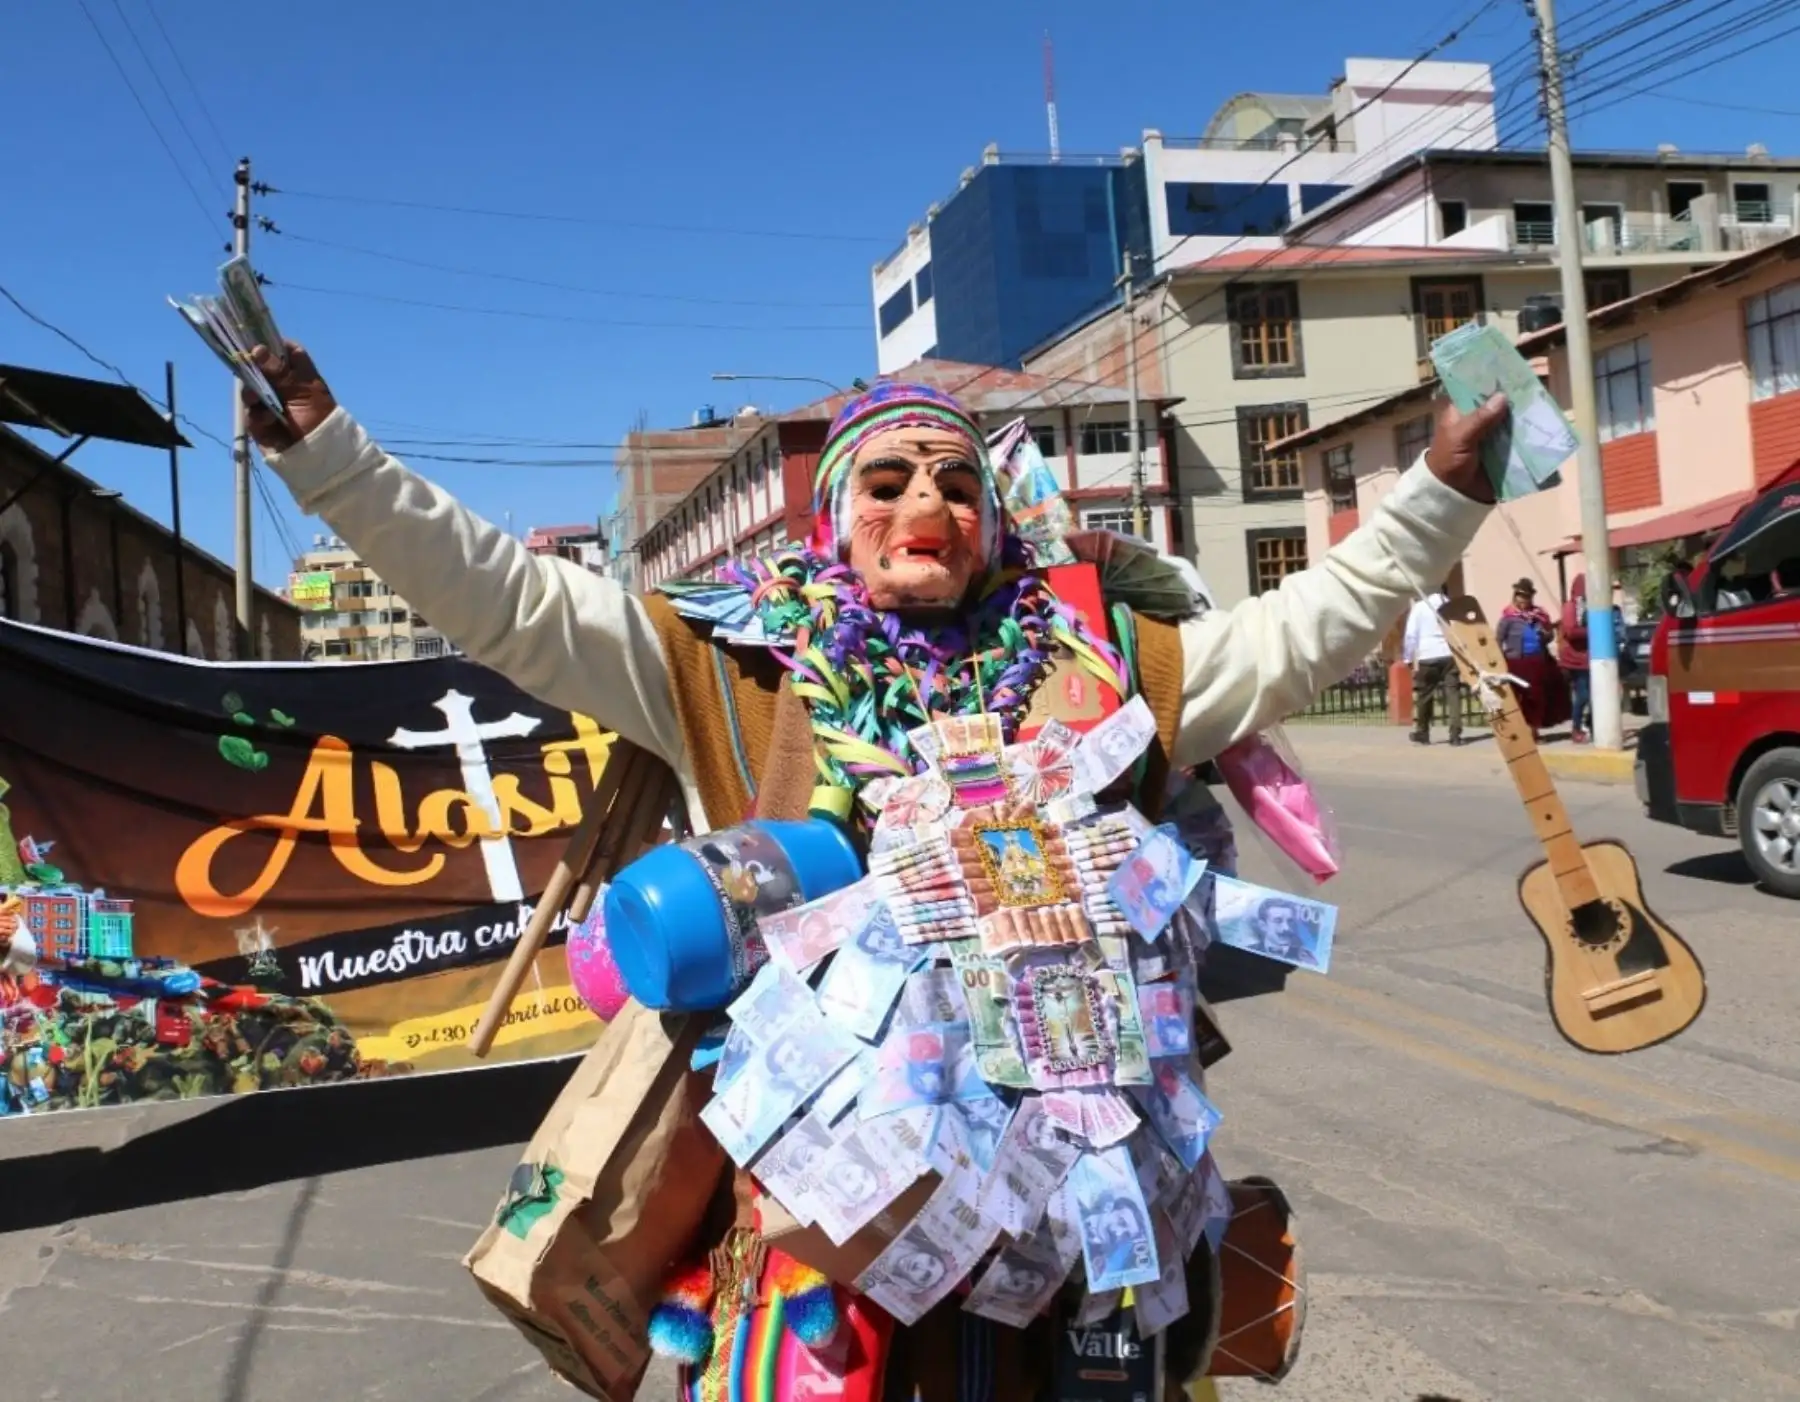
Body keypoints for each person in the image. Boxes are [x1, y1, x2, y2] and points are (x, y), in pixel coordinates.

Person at [245, 344, 1506, 1402]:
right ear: (834, 518)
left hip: (1069, 1224)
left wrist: (1439, 493)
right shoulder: (732, 665)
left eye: (958, 484)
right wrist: (330, 456)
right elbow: (509, 599)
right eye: (889, 482)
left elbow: (1297, 638)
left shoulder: (1103, 660)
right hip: (822, 1231)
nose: (926, 509)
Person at [1497, 578, 1566, 741]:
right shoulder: (1508, 618)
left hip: (1537, 660)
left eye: (1526, 597)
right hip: (1517, 662)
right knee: (1520, 697)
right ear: (1515, 597)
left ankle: (1533, 731)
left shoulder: (1539, 615)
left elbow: (1549, 635)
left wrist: (1545, 635)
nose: (1523, 600)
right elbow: (1498, 640)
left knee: (1537, 696)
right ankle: (1519, 730)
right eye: (1520, 596)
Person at [1401, 581, 1462, 746]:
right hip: (1450, 654)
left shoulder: (1420, 607)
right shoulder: (1450, 604)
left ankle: (1423, 732)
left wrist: (1408, 658)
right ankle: (1455, 733)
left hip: (1428, 655)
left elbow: (1411, 635)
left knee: (1425, 696)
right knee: (1453, 694)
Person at [1559, 574, 1592, 744]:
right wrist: (1593, 631)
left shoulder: (1591, 606)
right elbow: (1570, 631)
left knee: (1595, 695)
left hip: (1589, 658)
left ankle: (1590, 725)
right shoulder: (1571, 607)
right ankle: (1576, 728)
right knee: (1583, 695)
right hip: (1575, 660)